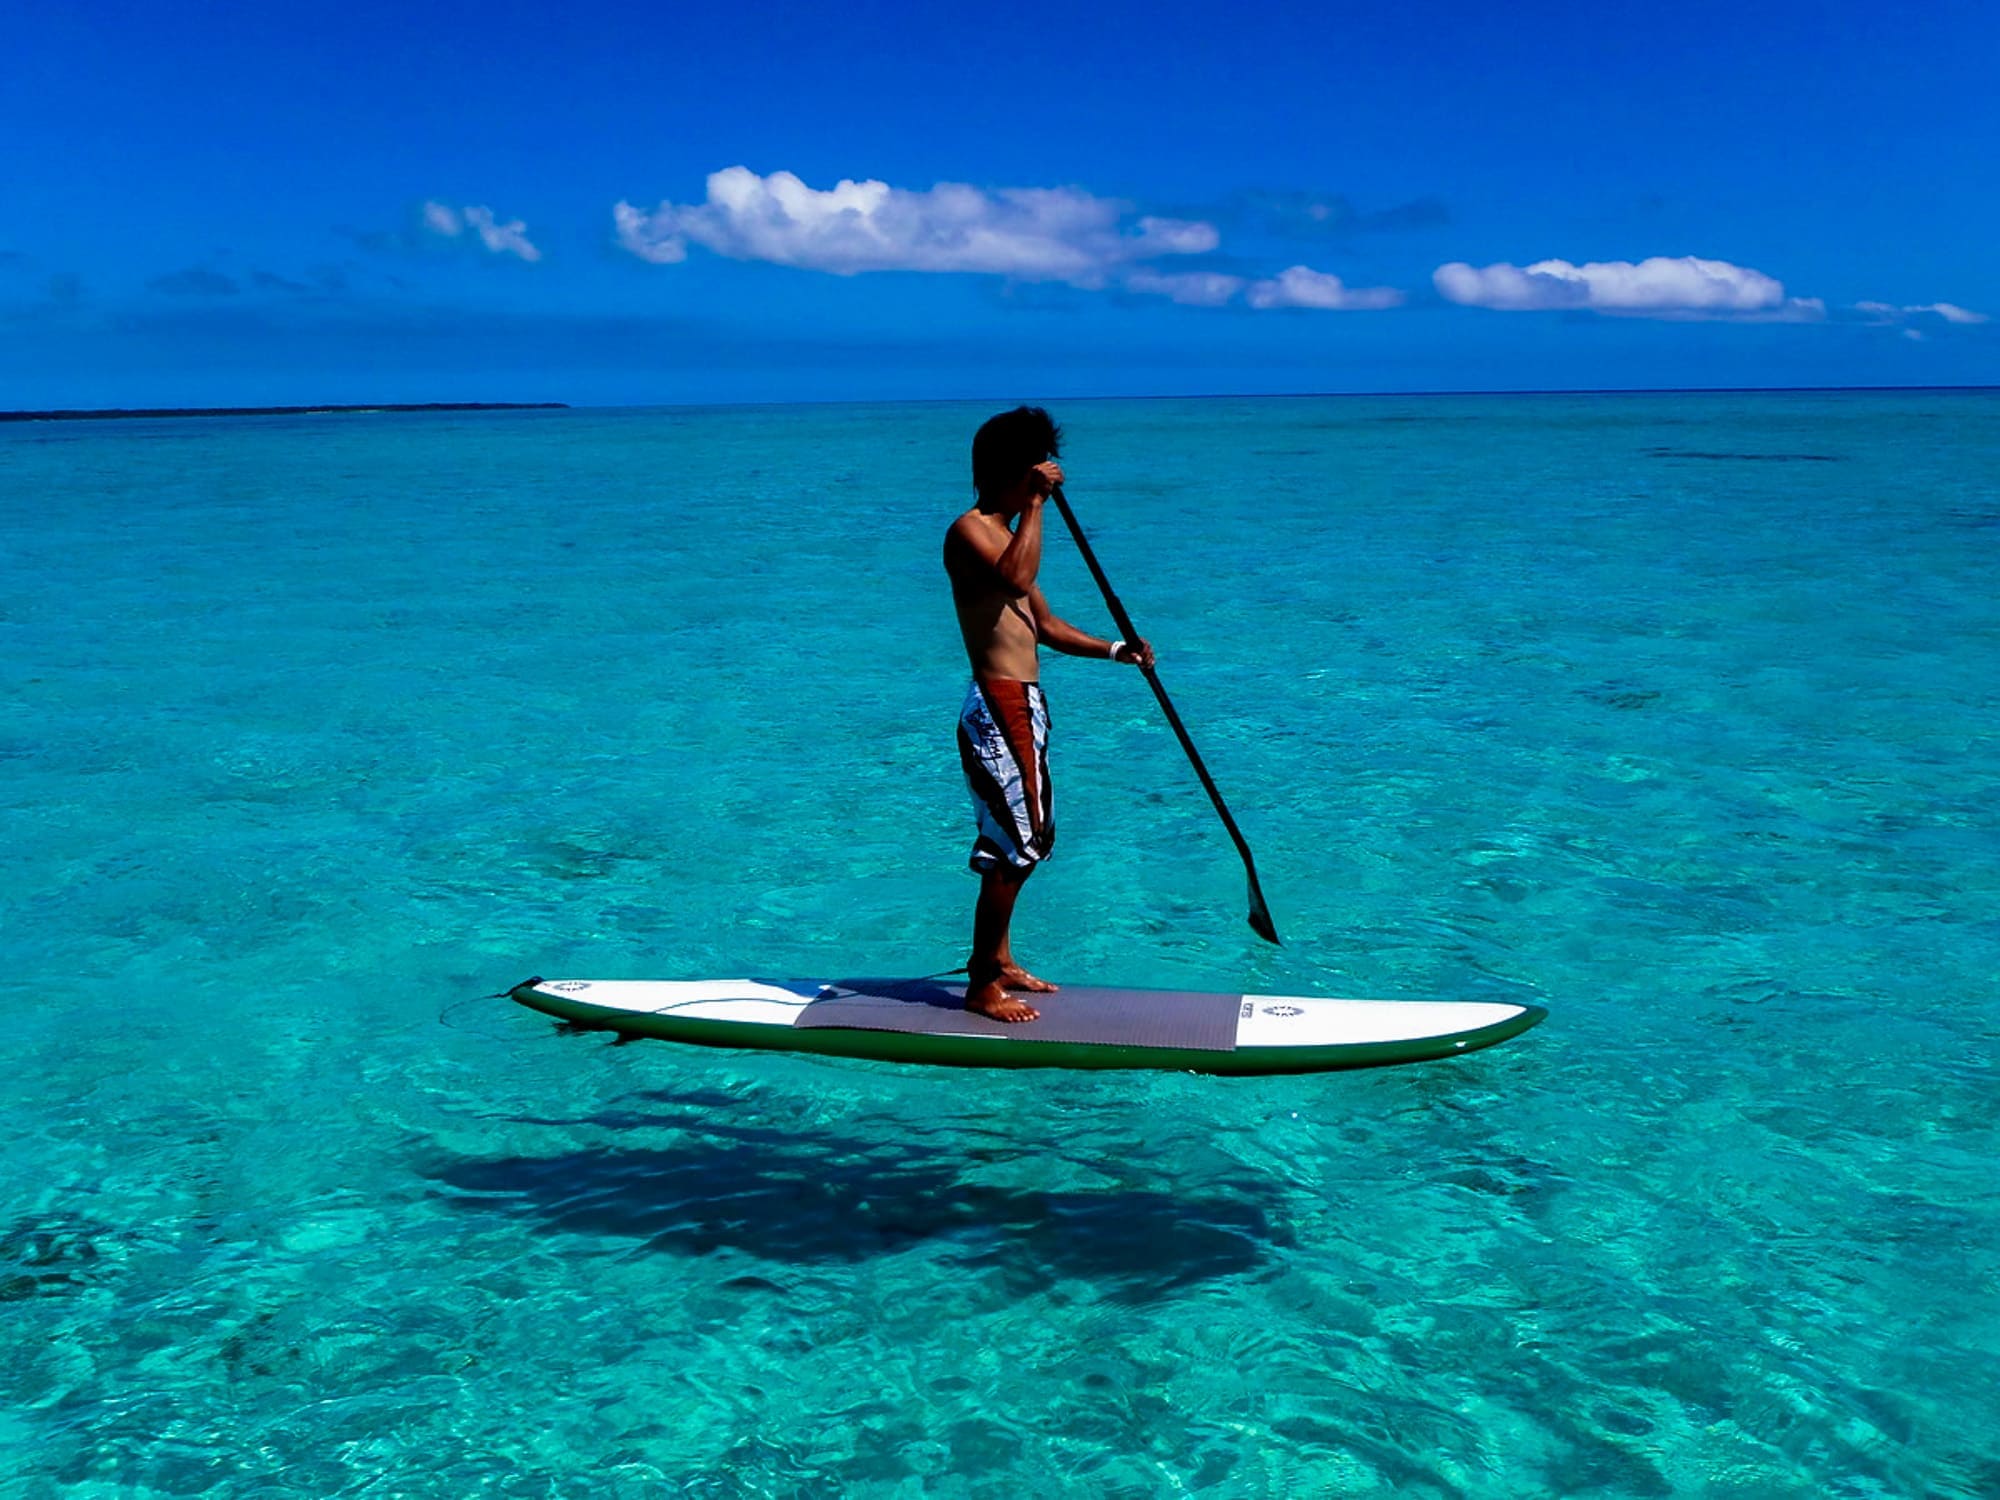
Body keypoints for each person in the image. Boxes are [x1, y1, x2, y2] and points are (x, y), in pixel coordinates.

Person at [943, 407, 1153, 1022]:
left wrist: (1120, 650)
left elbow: (1049, 627)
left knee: (1034, 838)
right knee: (1016, 844)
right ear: (1012, 473)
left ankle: (1000, 958)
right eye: (1033, 472)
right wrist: (1036, 506)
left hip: (1024, 705)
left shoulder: (1009, 536)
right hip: (997, 703)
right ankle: (981, 984)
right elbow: (1014, 580)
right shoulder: (972, 530)